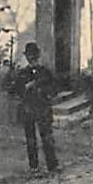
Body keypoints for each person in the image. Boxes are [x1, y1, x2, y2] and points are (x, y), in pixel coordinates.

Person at [11, 42, 59, 175]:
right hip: (28, 110)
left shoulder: (45, 72)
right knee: (31, 139)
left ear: (38, 56)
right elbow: (14, 91)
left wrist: (42, 89)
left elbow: (54, 89)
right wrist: (23, 88)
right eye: (29, 56)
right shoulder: (22, 74)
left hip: (43, 108)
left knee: (47, 138)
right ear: (26, 57)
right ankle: (34, 167)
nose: (31, 58)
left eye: (34, 55)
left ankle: (52, 166)